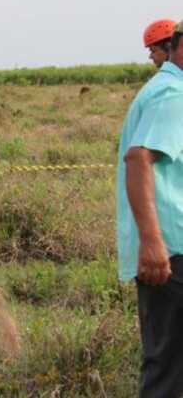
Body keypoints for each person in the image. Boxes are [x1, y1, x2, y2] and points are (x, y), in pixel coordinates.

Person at [117, 20, 183, 397]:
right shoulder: (173, 94)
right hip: (173, 253)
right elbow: (139, 159)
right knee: (170, 372)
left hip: (169, 250)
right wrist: (153, 243)